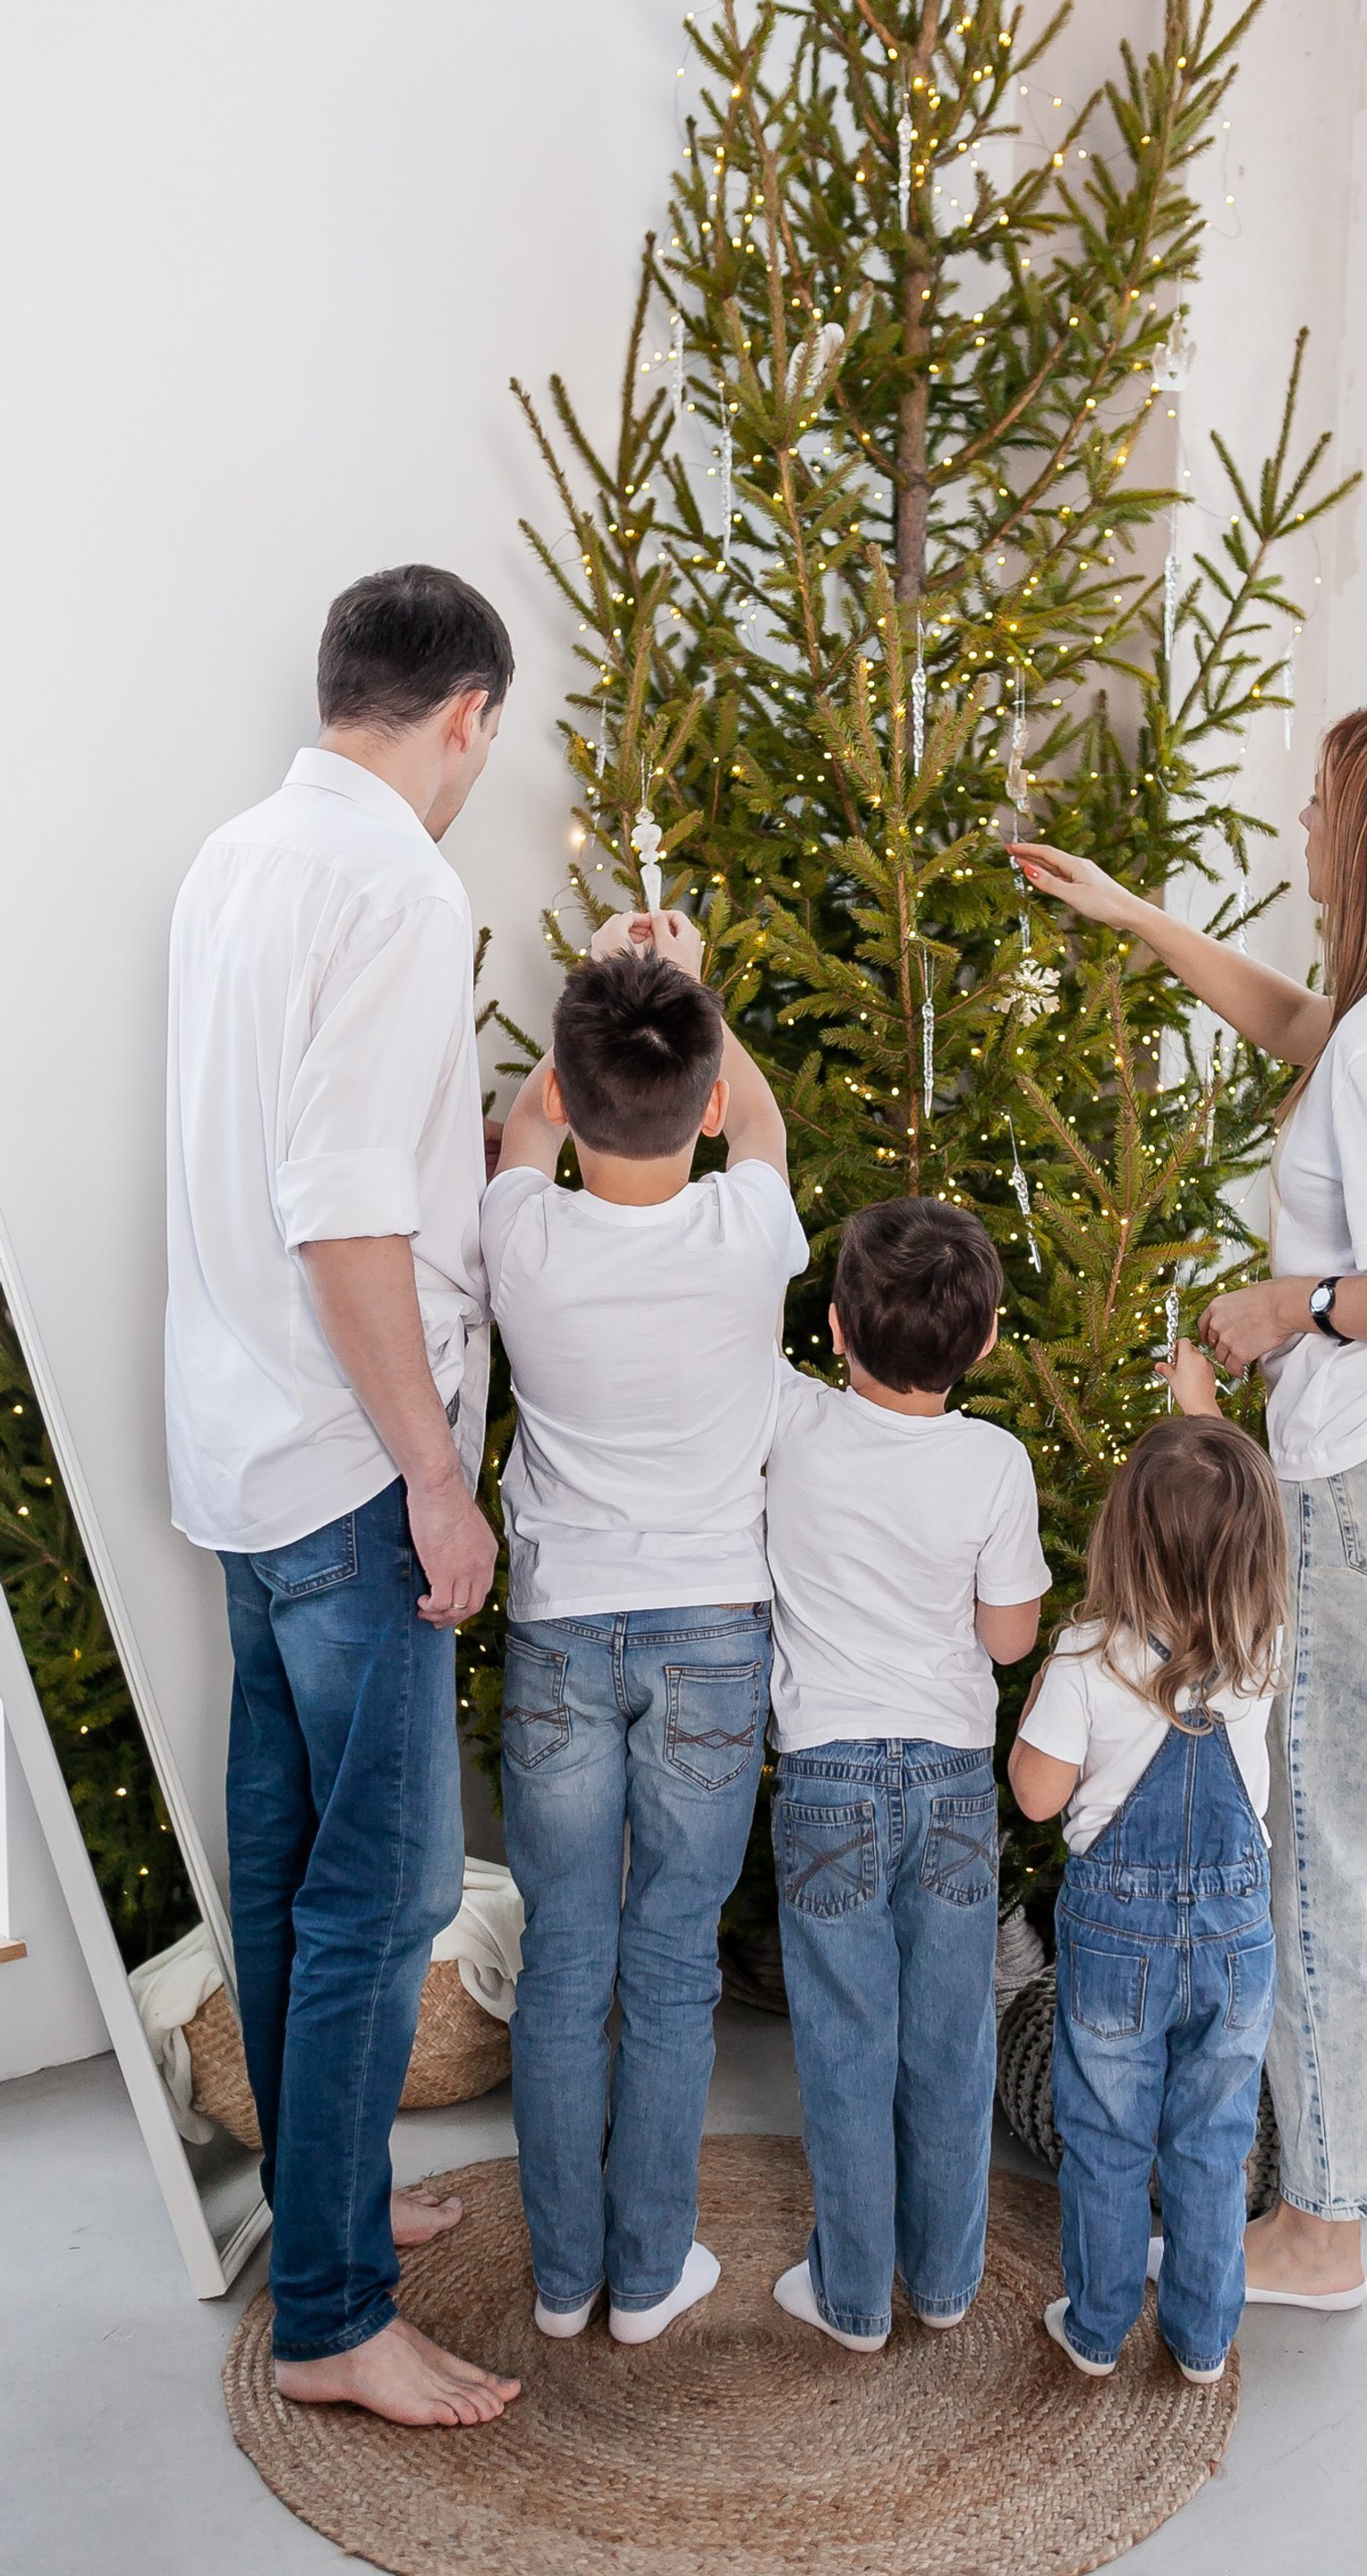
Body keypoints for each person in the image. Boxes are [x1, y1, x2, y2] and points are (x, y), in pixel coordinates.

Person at [1012, 701, 1367, 2312]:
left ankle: (1320, 2224)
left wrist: (1293, 1312)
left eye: (1328, 793)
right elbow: (1302, 1030)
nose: (1307, 811)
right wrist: (1140, 922)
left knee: (1323, 1855)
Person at [165, 565, 522, 2427]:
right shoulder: (396, 880)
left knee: (296, 1893)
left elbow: (313, 1160)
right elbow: (342, 1215)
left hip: (240, 1452)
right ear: (468, 712)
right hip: (346, 1470)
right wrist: (439, 1481)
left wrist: (466, 1167)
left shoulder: (241, 857)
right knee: (376, 1910)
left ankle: (333, 2218)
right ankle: (330, 2320)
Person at [482, 907, 808, 2345]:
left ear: (564, 1090)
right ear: (711, 1095)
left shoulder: (522, 1233)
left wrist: (601, 997)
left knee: (567, 1955)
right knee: (672, 1956)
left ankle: (561, 2284)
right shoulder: (751, 1229)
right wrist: (690, 992)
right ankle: (648, 2272)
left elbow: (514, 1131)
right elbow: (765, 1128)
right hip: (712, 1637)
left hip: (563, 1627)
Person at [761, 1198, 1049, 2353]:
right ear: (981, 1345)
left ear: (833, 1329)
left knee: (843, 2038)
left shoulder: (788, 1420)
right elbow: (1010, 1641)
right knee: (950, 2034)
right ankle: (943, 2281)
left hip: (828, 1772)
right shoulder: (993, 1463)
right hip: (948, 1785)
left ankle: (848, 2297)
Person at [1010, 1341, 1286, 2384]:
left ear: (1121, 1538)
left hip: (1117, 1946)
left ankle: (1094, 2330)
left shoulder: (1088, 1656)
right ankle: (1205, 2339)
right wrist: (1206, 1406)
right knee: (1214, 2144)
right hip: (1234, 1941)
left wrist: (1042, 1701)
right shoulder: (1261, 1642)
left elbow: (1036, 1795)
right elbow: (1233, 1504)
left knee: (1109, 2139)